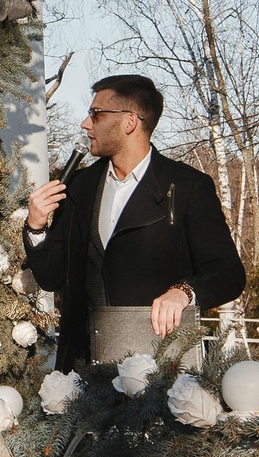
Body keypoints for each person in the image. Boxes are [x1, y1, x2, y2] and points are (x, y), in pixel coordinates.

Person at [24, 73, 245, 372]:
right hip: (80, 374)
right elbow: (50, 278)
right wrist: (36, 227)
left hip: (157, 374)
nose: (85, 124)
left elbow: (228, 273)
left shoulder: (187, 187)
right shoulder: (78, 186)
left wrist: (184, 292)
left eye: (96, 114)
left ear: (130, 122)